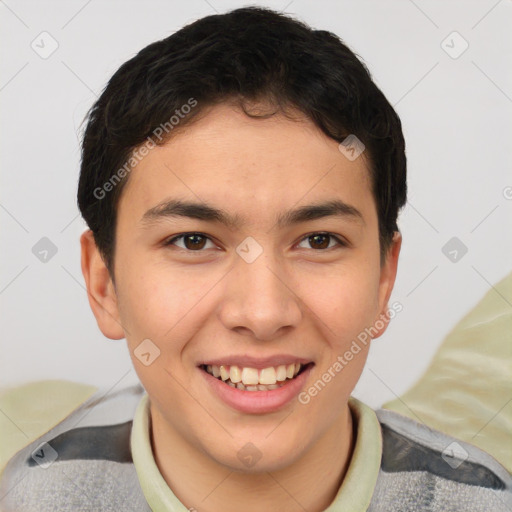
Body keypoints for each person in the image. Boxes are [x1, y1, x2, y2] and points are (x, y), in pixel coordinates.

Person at [1, 6, 510, 511]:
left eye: (319, 241)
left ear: (384, 278)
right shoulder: (28, 496)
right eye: (193, 241)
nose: (263, 314)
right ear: (103, 283)